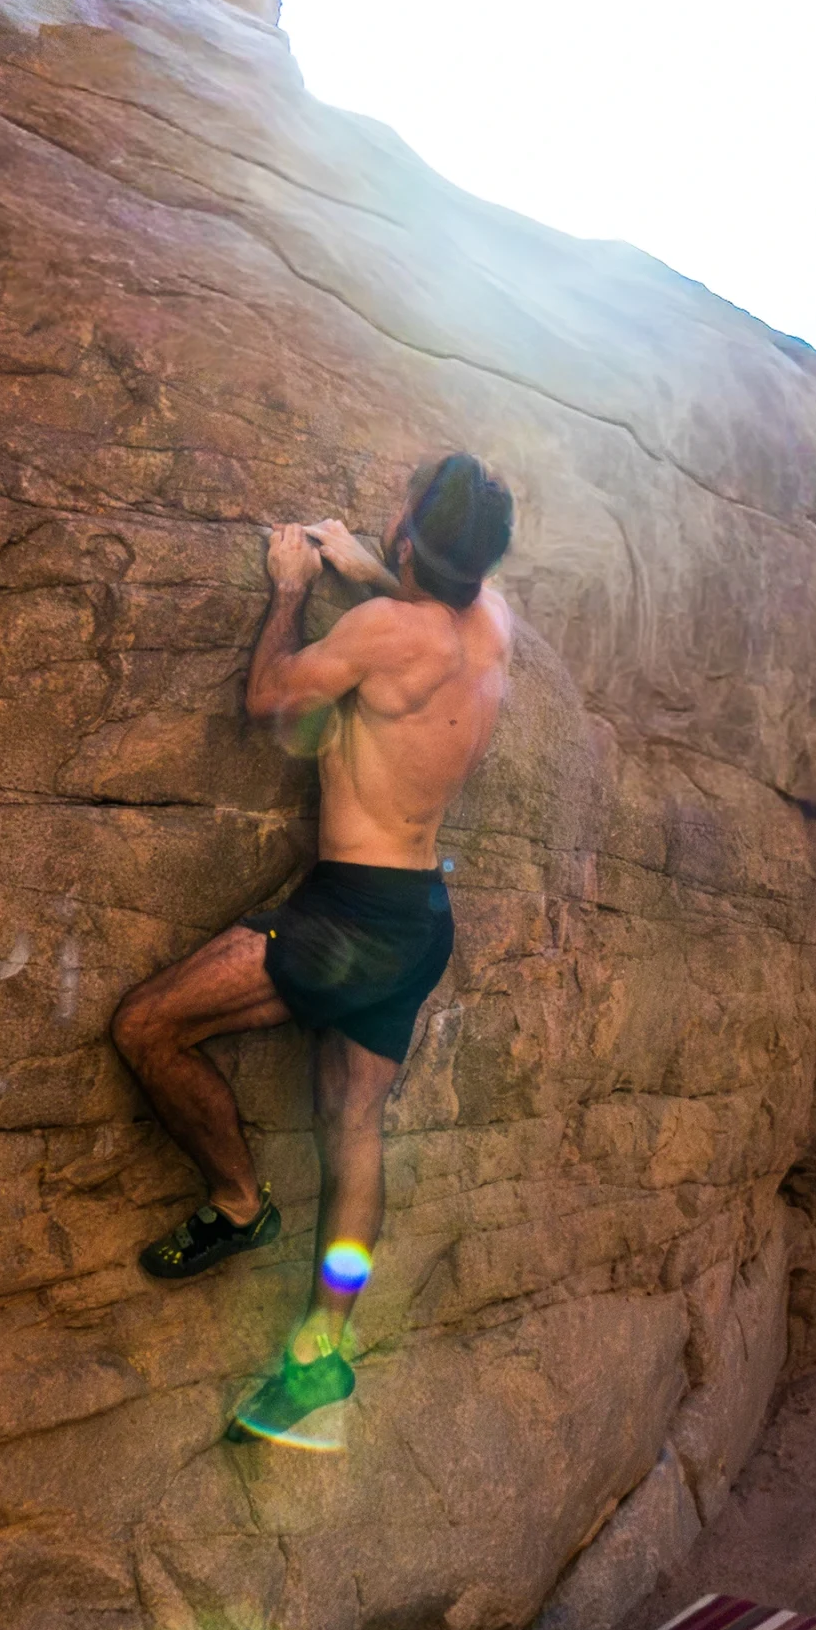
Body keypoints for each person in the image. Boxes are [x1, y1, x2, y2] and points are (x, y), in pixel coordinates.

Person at [111, 452, 515, 1446]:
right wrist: (381, 568)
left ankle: (239, 1201)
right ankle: (319, 1351)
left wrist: (294, 589)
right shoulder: (493, 620)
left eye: (400, 509)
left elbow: (271, 703)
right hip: (420, 915)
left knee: (148, 1026)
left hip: (348, 921)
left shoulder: (378, 633)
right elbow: (439, 618)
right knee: (354, 1125)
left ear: (409, 533)